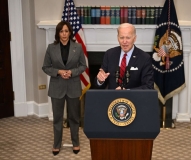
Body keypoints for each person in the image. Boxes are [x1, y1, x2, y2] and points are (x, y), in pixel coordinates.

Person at [42, 21, 86, 156]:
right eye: (61, 31)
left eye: (66, 31)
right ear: (58, 33)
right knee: (57, 118)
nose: (64, 34)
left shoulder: (77, 47)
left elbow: (83, 66)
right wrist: (59, 72)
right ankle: (56, 144)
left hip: (73, 86)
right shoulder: (51, 48)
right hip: (57, 87)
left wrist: (72, 72)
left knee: (74, 117)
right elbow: (46, 67)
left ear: (70, 32)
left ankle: (75, 142)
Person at [94, 23, 154, 89]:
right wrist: (100, 80)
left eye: (128, 38)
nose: (124, 41)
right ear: (117, 38)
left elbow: (148, 86)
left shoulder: (144, 58)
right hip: (112, 98)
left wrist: (127, 92)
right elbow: (100, 84)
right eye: (121, 37)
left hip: (134, 98)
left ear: (134, 38)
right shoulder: (109, 54)